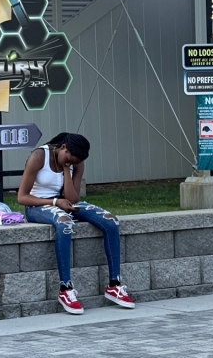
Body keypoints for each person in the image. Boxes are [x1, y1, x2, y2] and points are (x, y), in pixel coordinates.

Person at [17, 133, 134, 314]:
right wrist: (56, 203)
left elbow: (73, 198)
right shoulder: (39, 156)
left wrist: (66, 170)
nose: (71, 163)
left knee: (111, 221)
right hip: (37, 205)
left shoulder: (76, 161)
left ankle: (114, 285)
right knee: (64, 223)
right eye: (69, 159)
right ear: (63, 147)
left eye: (74, 162)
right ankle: (65, 289)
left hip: (65, 203)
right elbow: (22, 197)